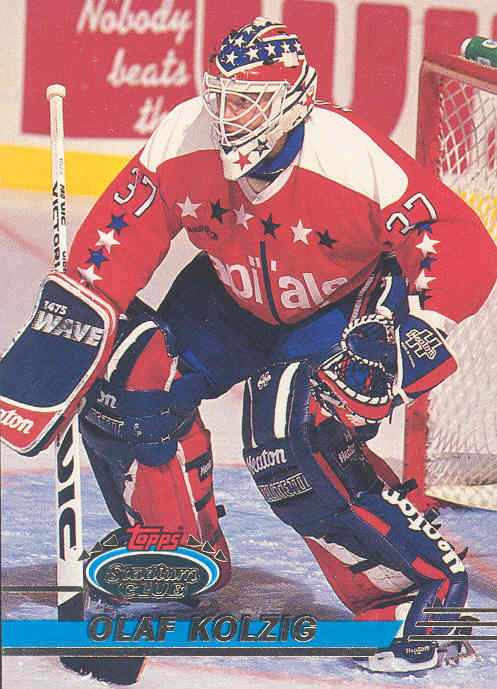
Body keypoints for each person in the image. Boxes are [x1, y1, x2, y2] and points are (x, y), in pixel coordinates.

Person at [3, 16, 497, 673]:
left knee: (289, 441)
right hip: (227, 298)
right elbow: (118, 238)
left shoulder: (348, 155)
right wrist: (74, 322)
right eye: (220, 96)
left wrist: (423, 325)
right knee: (126, 377)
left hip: (335, 308)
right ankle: (177, 553)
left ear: (292, 100)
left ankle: (419, 591)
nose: (226, 115)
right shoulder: (184, 134)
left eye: (246, 101)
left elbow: (452, 235)